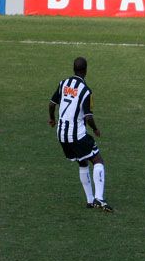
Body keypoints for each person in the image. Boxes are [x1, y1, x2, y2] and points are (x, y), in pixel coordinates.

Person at [48, 57, 113, 212]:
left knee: (82, 162)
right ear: (85, 71)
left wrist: (52, 118)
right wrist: (96, 129)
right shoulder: (86, 91)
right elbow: (88, 117)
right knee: (98, 160)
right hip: (77, 135)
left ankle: (90, 200)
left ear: (73, 69)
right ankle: (99, 198)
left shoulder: (63, 84)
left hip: (61, 135)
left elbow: (52, 104)